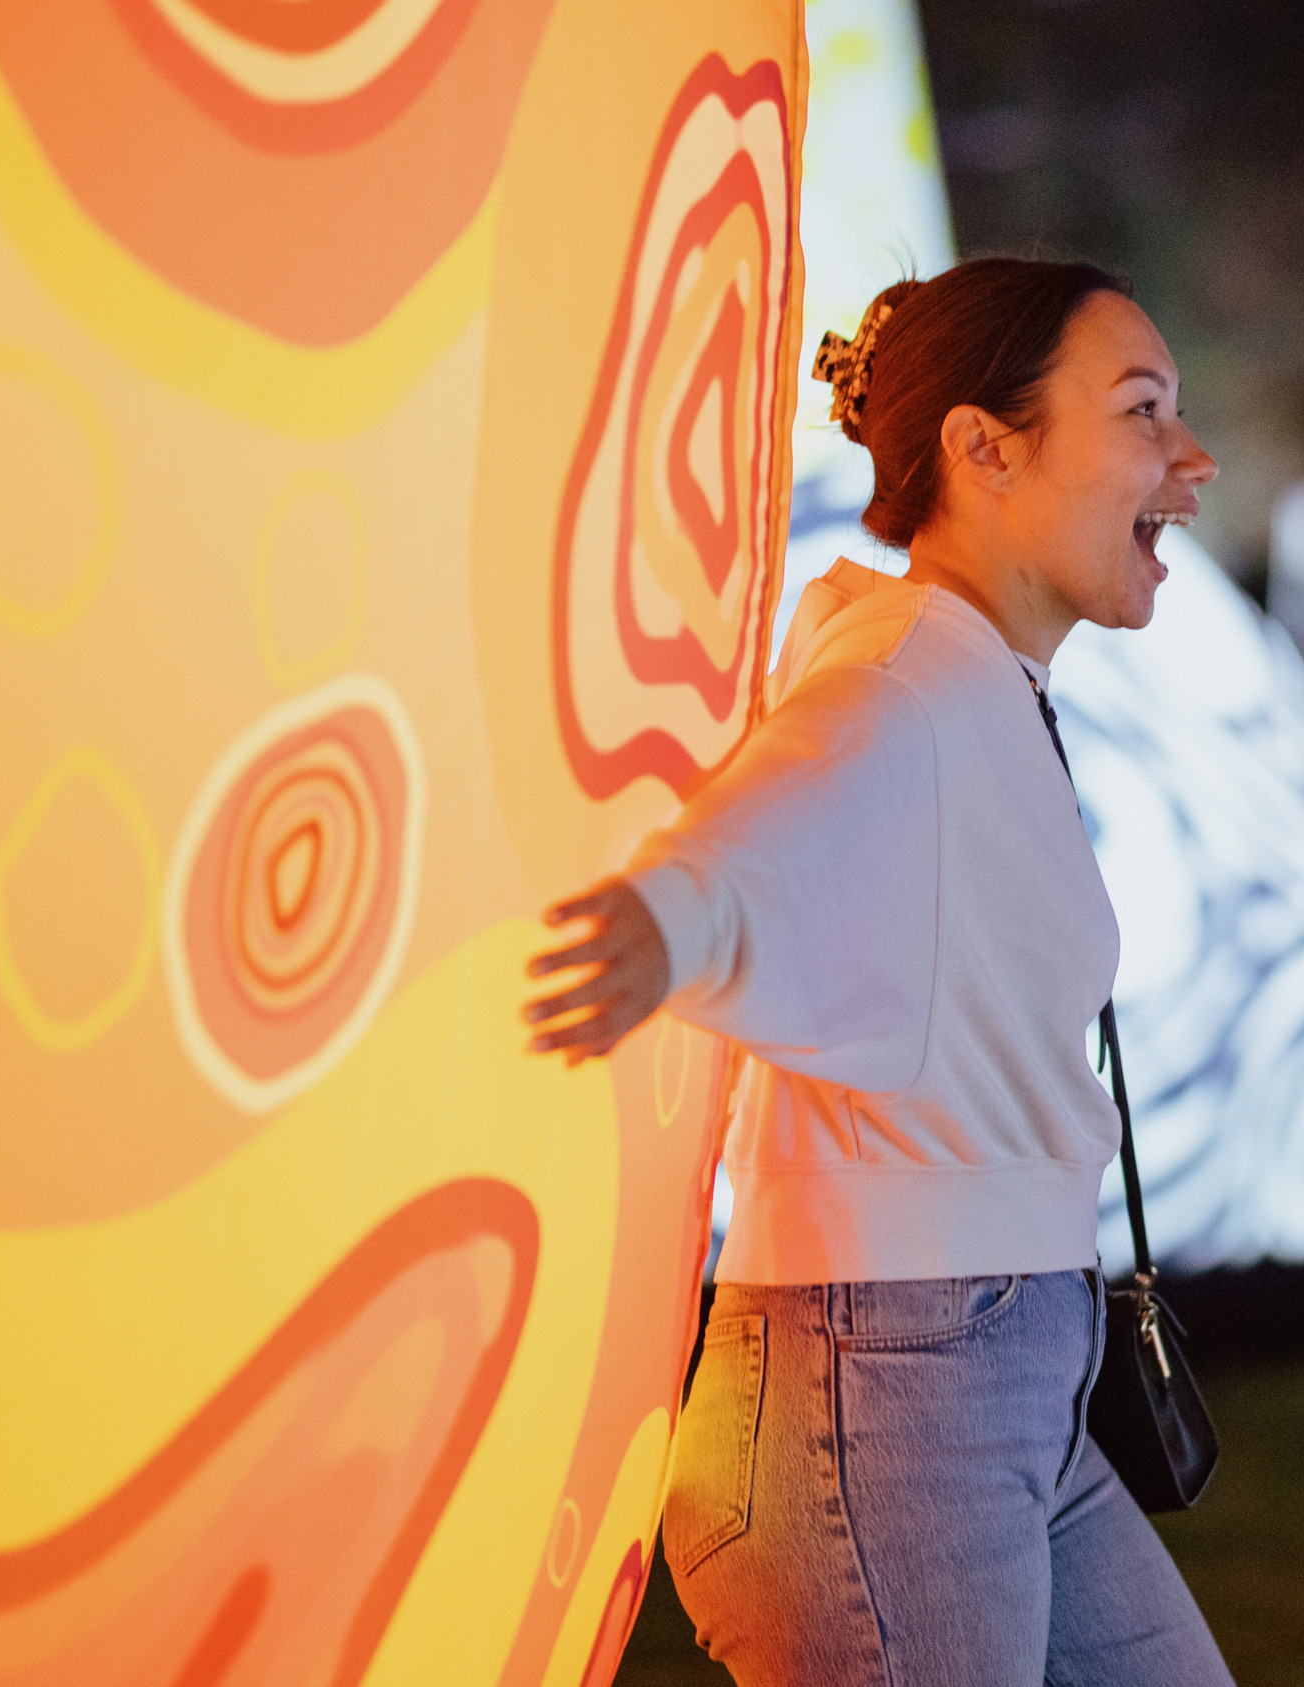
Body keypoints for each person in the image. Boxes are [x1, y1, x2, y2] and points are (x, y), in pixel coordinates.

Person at [518, 257, 1231, 1687]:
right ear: (983, 446)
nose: (1190, 459)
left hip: (976, 1374)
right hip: (881, 1392)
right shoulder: (904, 669)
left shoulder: (971, 673)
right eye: (1143, 410)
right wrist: (674, 914)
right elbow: (780, 806)